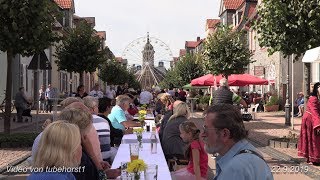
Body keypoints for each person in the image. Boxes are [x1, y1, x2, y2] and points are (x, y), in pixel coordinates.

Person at [201, 104, 273, 180]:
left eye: (206, 129)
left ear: (224, 134)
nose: (202, 134)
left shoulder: (234, 168)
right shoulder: (252, 153)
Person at [83, 96, 117, 163]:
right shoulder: (103, 121)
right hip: (103, 159)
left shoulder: (78, 121)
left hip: (86, 160)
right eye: (97, 107)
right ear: (93, 109)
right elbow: (106, 147)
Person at [298, 82, 320, 166]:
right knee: (314, 139)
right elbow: (315, 112)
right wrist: (318, 125)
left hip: (313, 118)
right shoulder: (313, 98)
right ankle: (315, 158)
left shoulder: (317, 98)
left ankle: (314, 157)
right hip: (310, 120)